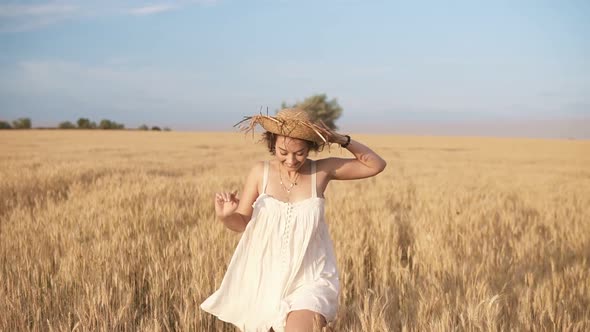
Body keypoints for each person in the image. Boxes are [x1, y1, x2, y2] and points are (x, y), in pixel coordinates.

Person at [200, 108, 387, 332]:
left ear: (310, 147)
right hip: (264, 276)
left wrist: (340, 139)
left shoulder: (321, 171)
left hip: (310, 277)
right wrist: (226, 216)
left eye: (300, 153)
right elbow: (241, 223)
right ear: (272, 144)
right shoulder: (261, 172)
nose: (291, 160)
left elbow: (375, 164)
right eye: (283, 152)